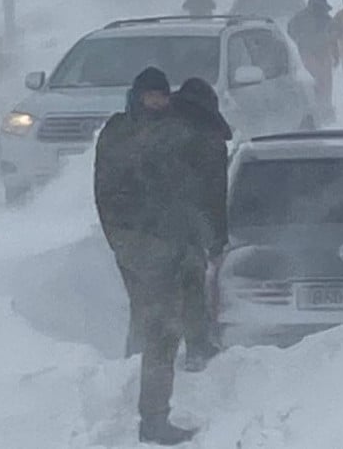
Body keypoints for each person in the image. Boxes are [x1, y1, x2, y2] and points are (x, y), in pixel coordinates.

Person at [93, 67, 202, 445]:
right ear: (137, 96)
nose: (158, 102)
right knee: (162, 328)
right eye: (152, 96)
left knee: (159, 328)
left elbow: (185, 185)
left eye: (163, 95)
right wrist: (132, 238)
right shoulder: (121, 133)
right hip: (141, 243)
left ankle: (153, 412)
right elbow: (111, 192)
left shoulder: (172, 130)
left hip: (165, 242)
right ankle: (153, 419)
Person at [171, 78, 232, 373]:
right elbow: (215, 194)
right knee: (191, 284)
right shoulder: (209, 140)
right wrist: (218, 238)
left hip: (152, 226)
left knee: (154, 294)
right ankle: (196, 346)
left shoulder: (159, 130)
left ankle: (139, 350)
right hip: (187, 228)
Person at [287, 0, 339, 122]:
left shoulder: (328, 19)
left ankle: (326, 112)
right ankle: (314, 112)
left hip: (324, 54)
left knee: (325, 85)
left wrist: (335, 54)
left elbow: (334, 38)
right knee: (311, 84)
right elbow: (291, 30)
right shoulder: (300, 18)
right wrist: (300, 41)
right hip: (307, 54)